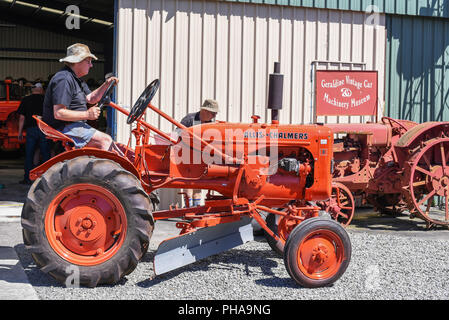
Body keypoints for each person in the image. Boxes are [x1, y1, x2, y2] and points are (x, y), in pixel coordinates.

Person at [42, 43, 122, 154]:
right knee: (105, 140)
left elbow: (91, 98)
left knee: (113, 145)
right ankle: (105, 171)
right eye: (88, 61)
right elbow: (59, 113)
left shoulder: (76, 79)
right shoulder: (64, 79)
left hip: (73, 124)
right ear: (77, 61)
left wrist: (106, 84)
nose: (91, 65)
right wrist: (87, 115)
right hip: (64, 126)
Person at [180, 99, 219, 207]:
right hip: (187, 155)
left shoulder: (212, 123)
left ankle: (195, 209)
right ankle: (188, 208)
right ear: (205, 111)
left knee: (199, 183)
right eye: (213, 113)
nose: (214, 115)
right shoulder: (189, 119)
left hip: (202, 157)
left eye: (215, 113)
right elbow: (177, 135)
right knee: (188, 183)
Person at [17, 82, 50, 185]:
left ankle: (27, 178)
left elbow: (22, 117)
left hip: (31, 130)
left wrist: (19, 132)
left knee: (29, 154)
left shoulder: (26, 100)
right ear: (41, 90)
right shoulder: (46, 100)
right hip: (44, 130)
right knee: (45, 154)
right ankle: (46, 179)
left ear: (32, 90)